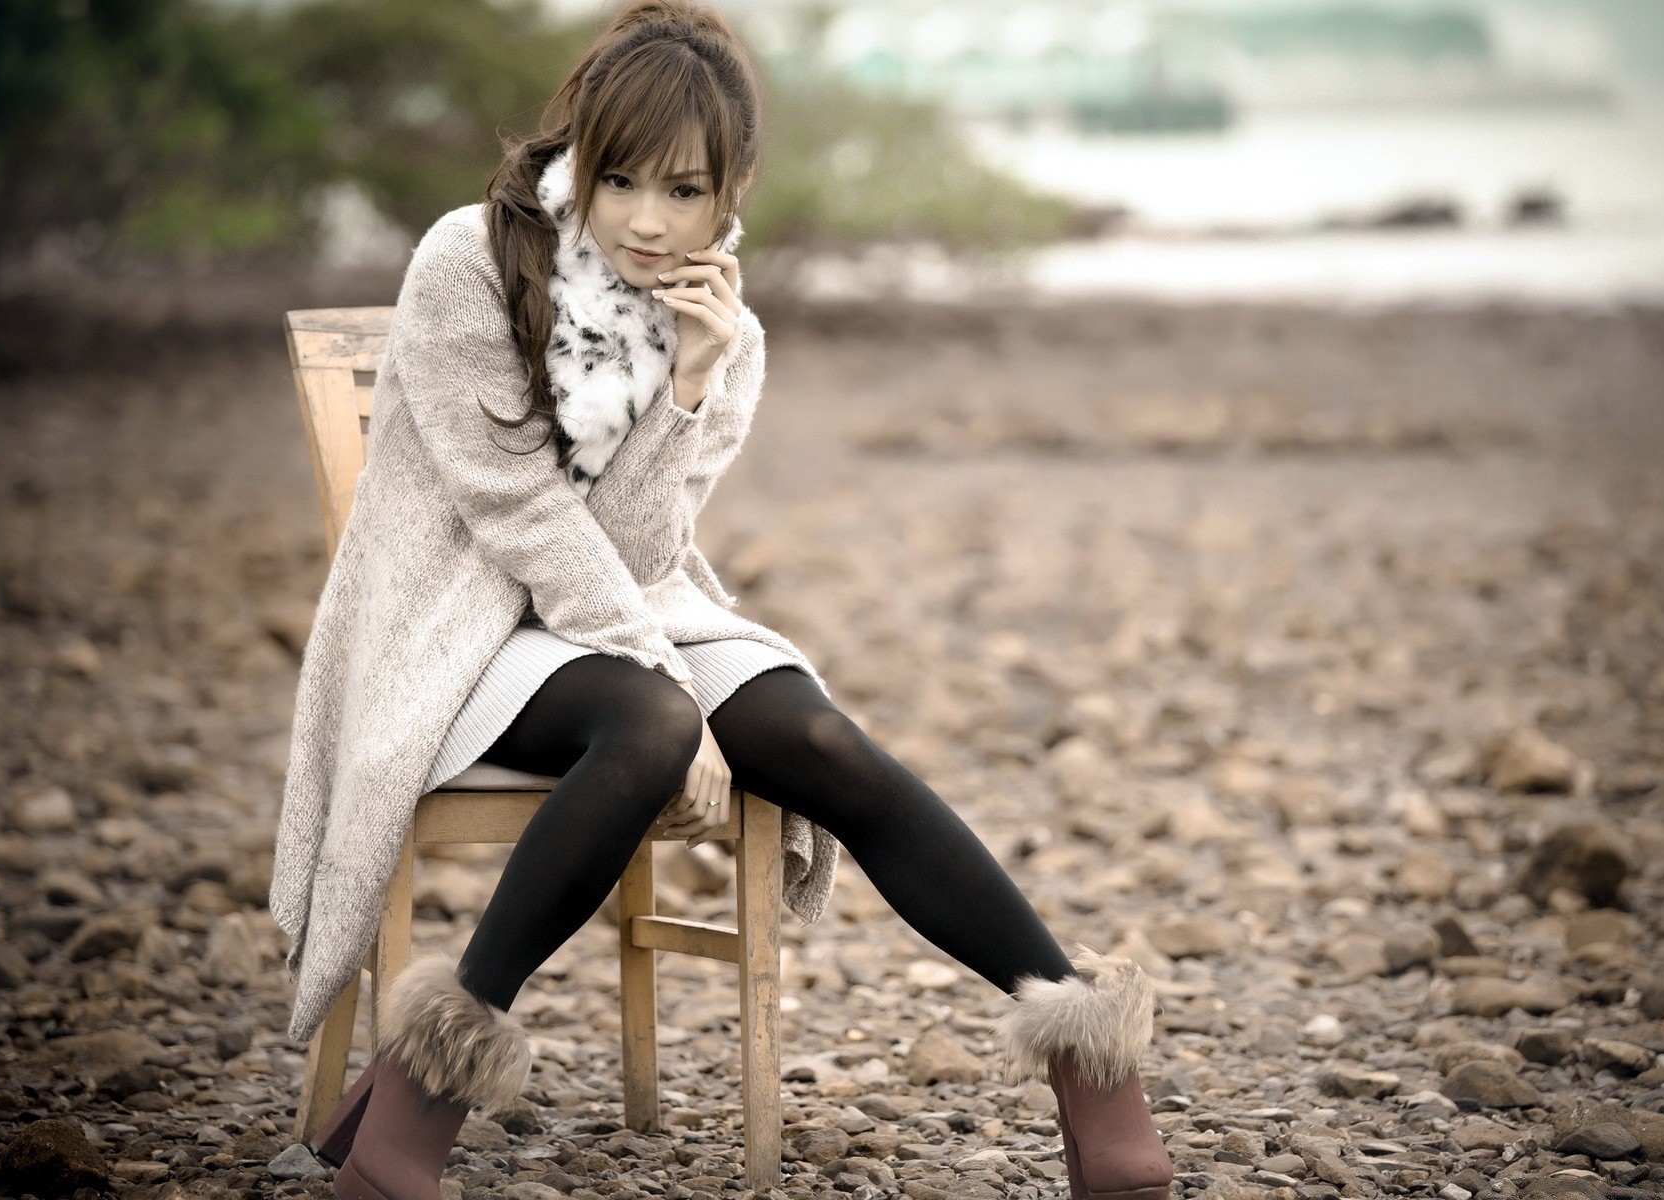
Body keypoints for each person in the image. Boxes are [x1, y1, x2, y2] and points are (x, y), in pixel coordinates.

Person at [274, 4, 1175, 1198]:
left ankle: (1090, 1068)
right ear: (579, 155)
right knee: (652, 729)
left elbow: (639, 544)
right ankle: (417, 1111)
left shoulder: (726, 333)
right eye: (623, 179)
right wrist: (664, 681)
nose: (649, 220)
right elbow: (521, 518)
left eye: (686, 191)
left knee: (813, 736)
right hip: (453, 615)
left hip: (619, 601)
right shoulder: (469, 261)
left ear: (732, 191)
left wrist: (690, 382)